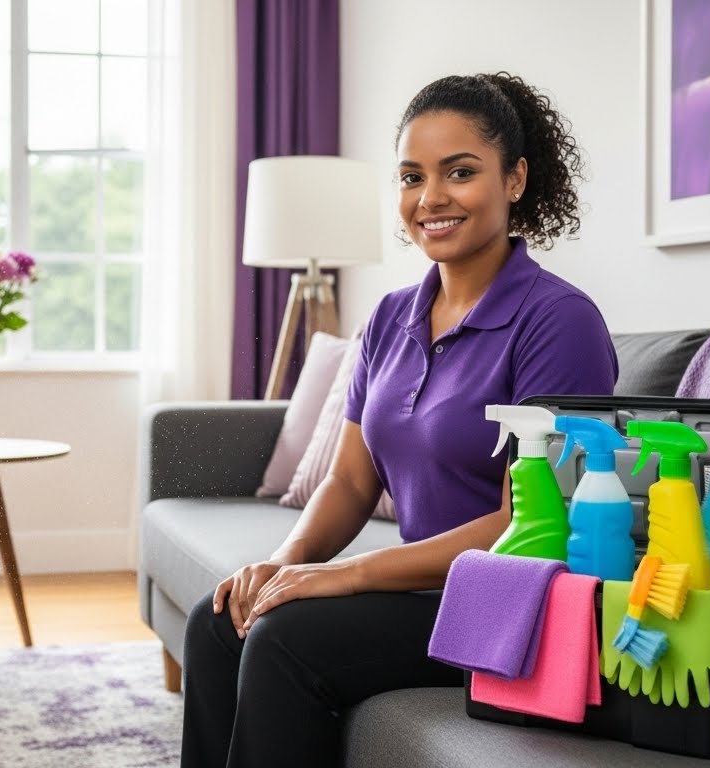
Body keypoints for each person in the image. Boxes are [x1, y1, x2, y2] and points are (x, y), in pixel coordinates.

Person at [180, 72, 619, 768]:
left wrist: (346, 576)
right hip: (414, 590)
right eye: (412, 176)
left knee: (283, 639)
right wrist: (284, 565)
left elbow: (532, 525)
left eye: (461, 172)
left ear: (514, 180)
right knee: (220, 620)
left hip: (505, 600)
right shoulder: (389, 317)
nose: (431, 198)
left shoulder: (557, 322)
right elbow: (351, 481)